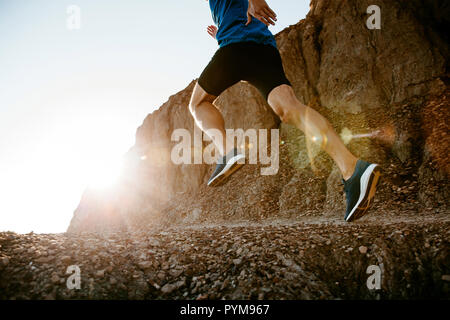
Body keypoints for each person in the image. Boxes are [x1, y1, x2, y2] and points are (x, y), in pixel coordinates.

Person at [188, 0, 381, 222]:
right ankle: (352, 168)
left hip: (235, 46)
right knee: (290, 109)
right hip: (262, 48)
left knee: (198, 104)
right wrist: (222, 32)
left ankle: (227, 152)